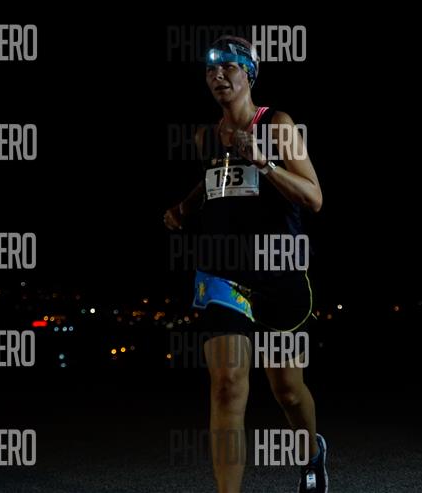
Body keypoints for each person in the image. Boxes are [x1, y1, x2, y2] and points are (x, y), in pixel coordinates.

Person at [164, 35, 327, 493]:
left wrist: (265, 163)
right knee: (228, 384)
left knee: (287, 390)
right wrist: (185, 207)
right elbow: (213, 180)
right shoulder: (204, 137)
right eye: (210, 70)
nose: (218, 75)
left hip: (278, 273)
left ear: (250, 74)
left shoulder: (277, 125)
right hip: (222, 274)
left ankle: (311, 453)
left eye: (229, 67)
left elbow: (314, 197)